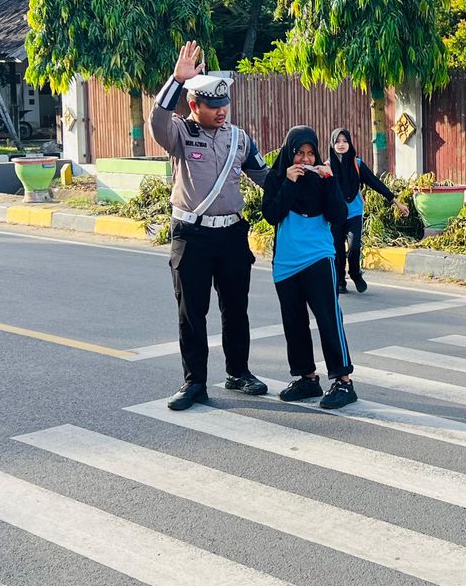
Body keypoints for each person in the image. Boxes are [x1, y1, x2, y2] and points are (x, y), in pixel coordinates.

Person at [151, 41, 272, 411]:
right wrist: (176, 80)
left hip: (232, 233)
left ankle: (238, 372)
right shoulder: (179, 134)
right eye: (213, 106)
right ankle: (195, 383)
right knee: (192, 312)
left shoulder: (239, 138)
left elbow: (265, 177)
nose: (221, 111)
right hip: (192, 235)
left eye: (224, 104)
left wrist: (306, 178)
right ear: (194, 106)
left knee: (236, 307)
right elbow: (157, 120)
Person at [264, 126, 360, 409]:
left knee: (329, 318)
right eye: (299, 153)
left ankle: (343, 381)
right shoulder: (277, 177)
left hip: (319, 257)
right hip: (286, 263)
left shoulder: (323, 178)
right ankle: (307, 378)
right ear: (289, 153)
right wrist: (288, 183)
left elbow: (339, 215)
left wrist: (330, 182)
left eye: (310, 153)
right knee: (294, 322)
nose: (305, 159)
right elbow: (271, 214)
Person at [328, 128, 407, 294]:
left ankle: (355, 274)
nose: (341, 144)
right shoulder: (327, 167)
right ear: (332, 144)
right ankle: (340, 281)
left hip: (354, 213)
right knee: (337, 251)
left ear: (350, 143)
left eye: (345, 141)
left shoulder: (357, 164)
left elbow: (375, 183)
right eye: (337, 141)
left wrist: (396, 202)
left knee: (354, 246)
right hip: (335, 215)